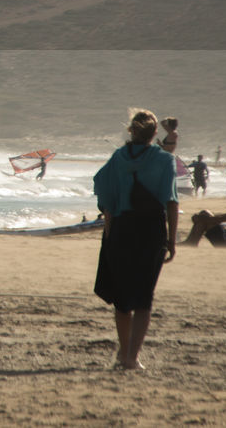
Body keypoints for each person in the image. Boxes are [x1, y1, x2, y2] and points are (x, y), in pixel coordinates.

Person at [93, 109, 178, 371]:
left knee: (122, 298)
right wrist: (172, 240)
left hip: (121, 229)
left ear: (131, 131)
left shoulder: (118, 157)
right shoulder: (164, 160)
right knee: (143, 297)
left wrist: (109, 224)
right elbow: (171, 202)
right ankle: (132, 356)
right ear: (155, 134)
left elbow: (102, 188)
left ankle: (123, 352)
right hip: (150, 231)